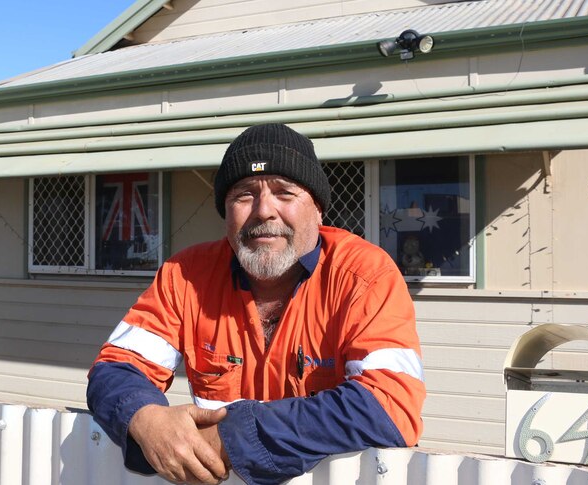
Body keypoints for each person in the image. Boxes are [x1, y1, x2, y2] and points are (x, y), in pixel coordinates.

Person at [86, 123, 425, 485]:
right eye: (244, 195)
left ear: (318, 209)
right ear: (226, 213)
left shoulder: (364, 276)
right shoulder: (184, 275)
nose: (264, 211)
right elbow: (115, 369)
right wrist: (145, 417)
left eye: (285, 193)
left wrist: (231, 438)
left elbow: (390, 407)